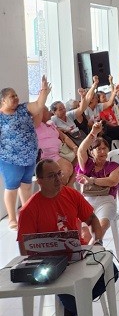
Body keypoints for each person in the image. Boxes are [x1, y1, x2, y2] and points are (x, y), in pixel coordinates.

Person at [17, 159, 115, 316]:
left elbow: (92, 219)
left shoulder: (71, 194)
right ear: (39, 181)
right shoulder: (29, 210)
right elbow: (24, 250)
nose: (57, 179)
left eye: (59, 174)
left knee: (111, 270)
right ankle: (77, 310)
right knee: (69, 289)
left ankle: (72, 310)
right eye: (51, 176)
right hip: (51, 264)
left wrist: (97, 240)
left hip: (78, 255)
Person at [1, 77, 51, 229]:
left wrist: (43, 92)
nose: (16, 98)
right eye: (12, 96)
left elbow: (38, 105)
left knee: (26, 187)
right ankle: (11, 218)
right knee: (11, 187)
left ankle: (26, 213)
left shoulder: (23, 109)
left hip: (29, 157)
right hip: (10, 159)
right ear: (3, 100)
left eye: (16, 95)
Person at [76, 121, 119, 244]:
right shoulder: (87, 165)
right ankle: (89, 254)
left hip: (106, 200)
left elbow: (112, 181)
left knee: (101, 227)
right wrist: (93, 133)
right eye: (98, 149)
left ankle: (92, 252)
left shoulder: (113, 166)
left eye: (104, 148)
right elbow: (80, 151)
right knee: (84, 233)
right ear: (91, 152)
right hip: (87, 201)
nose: (102, 152)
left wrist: (91, 180)